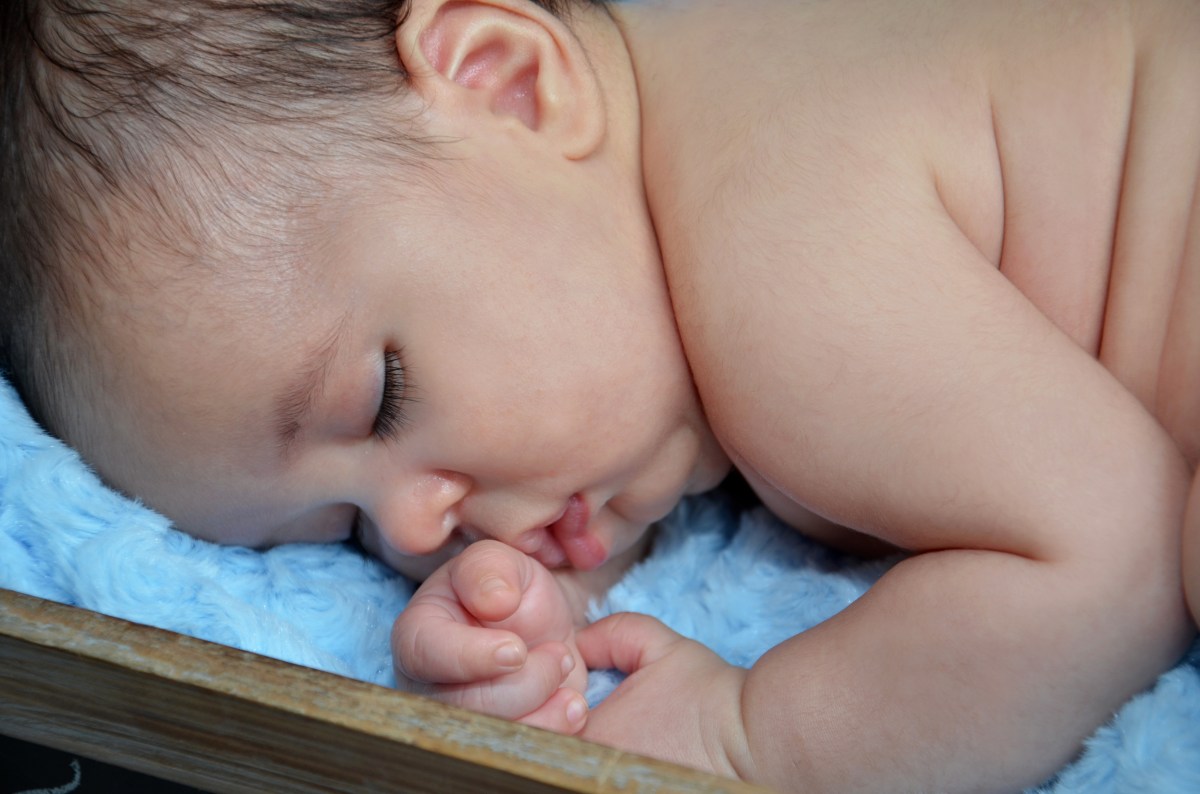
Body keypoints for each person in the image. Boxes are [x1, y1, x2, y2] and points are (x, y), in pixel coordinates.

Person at [2, 0, 1198, 789]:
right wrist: (537, 619)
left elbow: (1110, 552)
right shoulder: (705, 97)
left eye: (384, 398)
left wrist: (752, 740)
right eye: (344, 530)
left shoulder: (774, 245)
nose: (414, 527)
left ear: (510, 80)